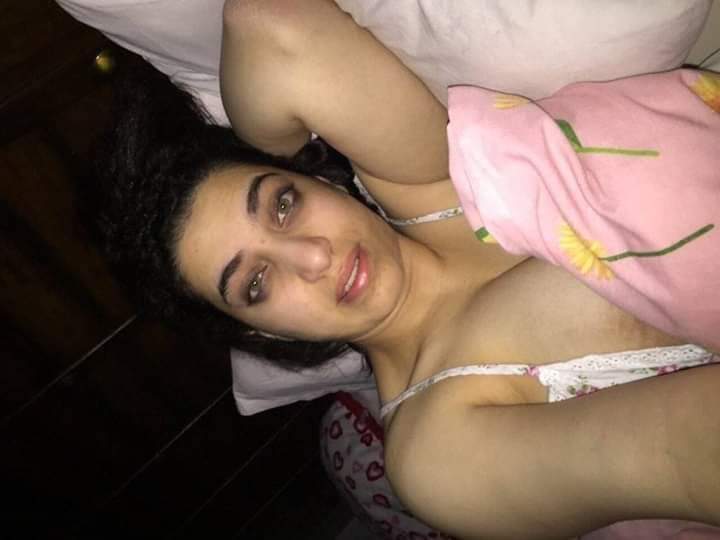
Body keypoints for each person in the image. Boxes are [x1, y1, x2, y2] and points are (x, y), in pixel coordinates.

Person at [94, 1, 720, 537]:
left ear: (319, 183)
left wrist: (271, 148)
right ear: (262, 333)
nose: (314, 257)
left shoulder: (423, 183)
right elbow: (686, 455)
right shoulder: (437, 452)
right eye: (256, 283)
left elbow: (268, 25)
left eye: (283, 205)